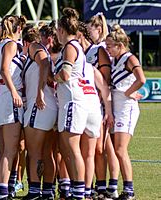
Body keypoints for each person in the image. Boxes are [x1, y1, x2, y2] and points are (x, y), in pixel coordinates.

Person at [77, 21, 120, 199]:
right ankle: (93, 185)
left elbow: (105, 80)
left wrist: (104, 105)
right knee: (87, 149)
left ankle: (102, 186)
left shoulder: (98, 50)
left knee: (99, 149)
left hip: (98, 104)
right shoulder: (78, 53)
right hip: (84, 104)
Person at [105, 24, 146, 200]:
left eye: (109, 46)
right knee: (115, 150)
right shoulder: (115, 59)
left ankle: (129, 190)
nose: (107, 49)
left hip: (126, 108)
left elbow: (141, 79)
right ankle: (119, 187)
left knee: (121, 150)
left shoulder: (129, 58)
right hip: (116, 107)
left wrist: (129, 93)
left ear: (119, 45)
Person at [54, 8, 87, 200]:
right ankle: (76, 188)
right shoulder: (73, 46)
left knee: (73, 149)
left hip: (73, 101)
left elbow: (65, 74)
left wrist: (52, 78)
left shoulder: (70, 46)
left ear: (62, 30)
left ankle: (79, 192)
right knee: (67, 148)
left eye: (58, 30)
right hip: (70, 101)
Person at [21, 25, 57, 200]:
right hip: (50, 106)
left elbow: (43, 64)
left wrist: (39, 92)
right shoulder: (46, 52)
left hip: (40, 105)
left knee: (34, 152)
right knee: (47, 152)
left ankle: (35, 190)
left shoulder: (35, 47)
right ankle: (48, 190)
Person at [0, 14, 26, 200]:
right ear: (18, 29)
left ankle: (0, 187)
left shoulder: (1, 44)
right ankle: (3, 191)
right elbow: (5, 69)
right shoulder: (11, 44)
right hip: (8, 96)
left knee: (5, 148)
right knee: (10, 149)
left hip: (2, 94)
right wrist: (14, 92)